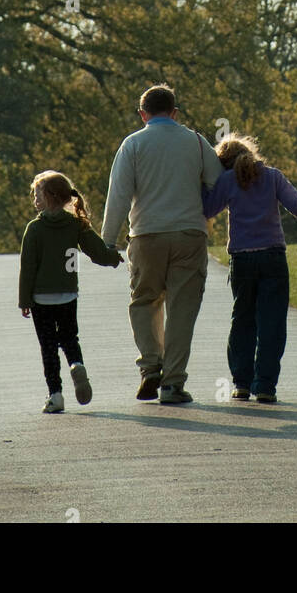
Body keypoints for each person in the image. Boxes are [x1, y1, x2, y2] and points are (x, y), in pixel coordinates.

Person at [101, 84, 221, 404]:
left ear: (143, 114)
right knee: (181, 309)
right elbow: (218, 185)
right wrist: (202, 212)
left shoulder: (133, 144)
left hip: (146, 235)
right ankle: (173, 383)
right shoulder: (196, 142)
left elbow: (119, 197)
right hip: (188, 234)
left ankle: (151, 365)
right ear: (175, 112)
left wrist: (107, 241)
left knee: (144, 301)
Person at [202, 134, 297, 403]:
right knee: (272, 323)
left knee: (242, 321)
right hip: (273, 256)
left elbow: (207, 209)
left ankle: (241, 383)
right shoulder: (272, 176)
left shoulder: (227, 180)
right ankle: (265, 385)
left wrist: (202, 184)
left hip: (242, 260)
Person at [19, 170, 122, 413]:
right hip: (67, 294)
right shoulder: (76, 225)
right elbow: (96, 250)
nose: (34, 199)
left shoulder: (34, 229)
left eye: (37, 194)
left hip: (40, 298)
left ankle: (55, 395)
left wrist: (24, 300)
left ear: (49, 197)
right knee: (69, 338)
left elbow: (28, 268)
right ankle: (76, 364)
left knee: (48, 346)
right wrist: (114, 258)